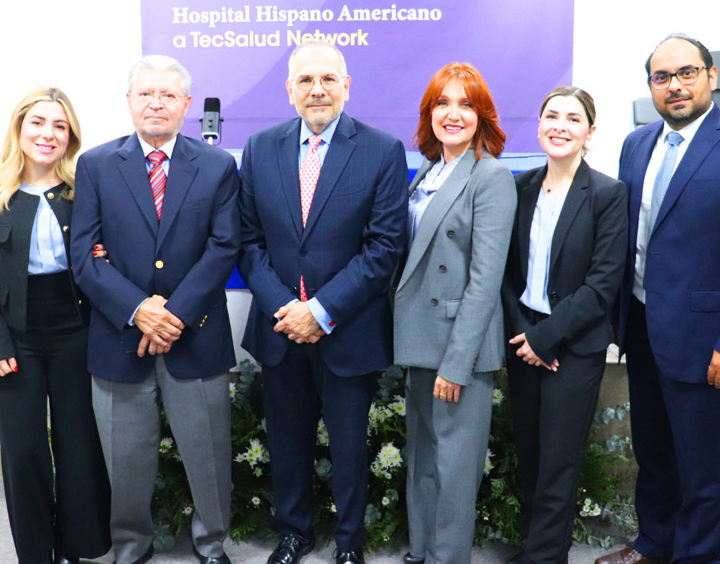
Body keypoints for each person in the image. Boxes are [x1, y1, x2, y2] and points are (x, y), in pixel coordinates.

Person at [595, 35, 720, 564]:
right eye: (662, 77)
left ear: (712, 76)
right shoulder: (636, 143)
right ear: (650, 86)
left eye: (686, 73)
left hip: (707, 340)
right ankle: (653, 545)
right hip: (643, 330)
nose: (675, 86)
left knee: (703, 468)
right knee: (655, 456)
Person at [237, 40, 408, 564]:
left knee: (349, 447)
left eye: (328, 80)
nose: (317, 90)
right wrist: (287, 310)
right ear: (289, 90)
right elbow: (249, 241)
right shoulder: (260, 147)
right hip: (280, 328)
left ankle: (350, 542)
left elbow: (384, 248)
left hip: (347, 329)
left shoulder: (381, 149)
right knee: (287, 443)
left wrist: (321, 310)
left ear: (346, 86)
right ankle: (295, 532)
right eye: (306, 81)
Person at [70, 55, 240, 564]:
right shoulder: (98, 164)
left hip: (196, 335)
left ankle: (212, 545)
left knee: (209, 458)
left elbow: (224, 247)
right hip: (120, 338)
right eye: (146, 93)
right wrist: (139, 308)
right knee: (125, 461)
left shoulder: (217, 165)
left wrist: (173, 315)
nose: (156, 103)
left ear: (187, 105)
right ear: (129, 102)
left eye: (168, 95)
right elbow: (84, 254)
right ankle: (131, 545)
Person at [0, 87, 111, 564]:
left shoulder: (85, 190)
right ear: (19, 128)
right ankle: (35, 552)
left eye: (59, 126)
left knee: (77, 446)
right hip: (14, 337)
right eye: (39, 123)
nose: (48, 134)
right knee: (25, 451)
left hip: (77, 330)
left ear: (70, 136)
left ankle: (75, 547)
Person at [392, 62, 515, 564]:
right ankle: (422, 551)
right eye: (443, 103)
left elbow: (485, 281)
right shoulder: (428, 170)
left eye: (466, 104)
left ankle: (447, 558)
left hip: (456, 346)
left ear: (482, 115)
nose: (453, 114)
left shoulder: (492, 176)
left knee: (455, 468)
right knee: (422, 458)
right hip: (419, 337)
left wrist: (457, 362)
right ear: (430, 113)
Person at [501, 86, 627, 564]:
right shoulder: (520, 186)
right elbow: (505, 274)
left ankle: (545, 558)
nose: (560, 126)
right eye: (551, 116)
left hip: (573, 344)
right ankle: (537, 547)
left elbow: (602, 285)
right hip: (523, 336)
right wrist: (526, 336)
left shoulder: (608, 194)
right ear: (538, 125)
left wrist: (546, 338)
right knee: (530, 453)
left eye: (573, 119)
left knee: (558, 458)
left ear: (589, 132)